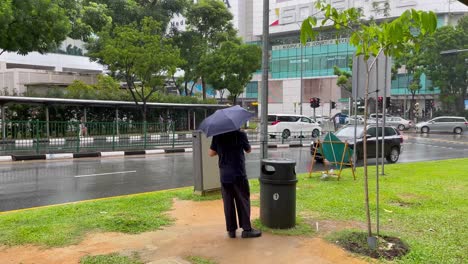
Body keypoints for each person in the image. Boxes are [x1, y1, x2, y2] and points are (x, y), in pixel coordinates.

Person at [209, 129, 262, 239]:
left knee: (228, 203)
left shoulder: (218, 135)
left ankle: (231, 230)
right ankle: (247, 229)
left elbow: (211, 153)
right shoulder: (240, 134)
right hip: (239, 174)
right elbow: (248, 150)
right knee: (243, 200)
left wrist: (222, 149)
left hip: (225, 176)